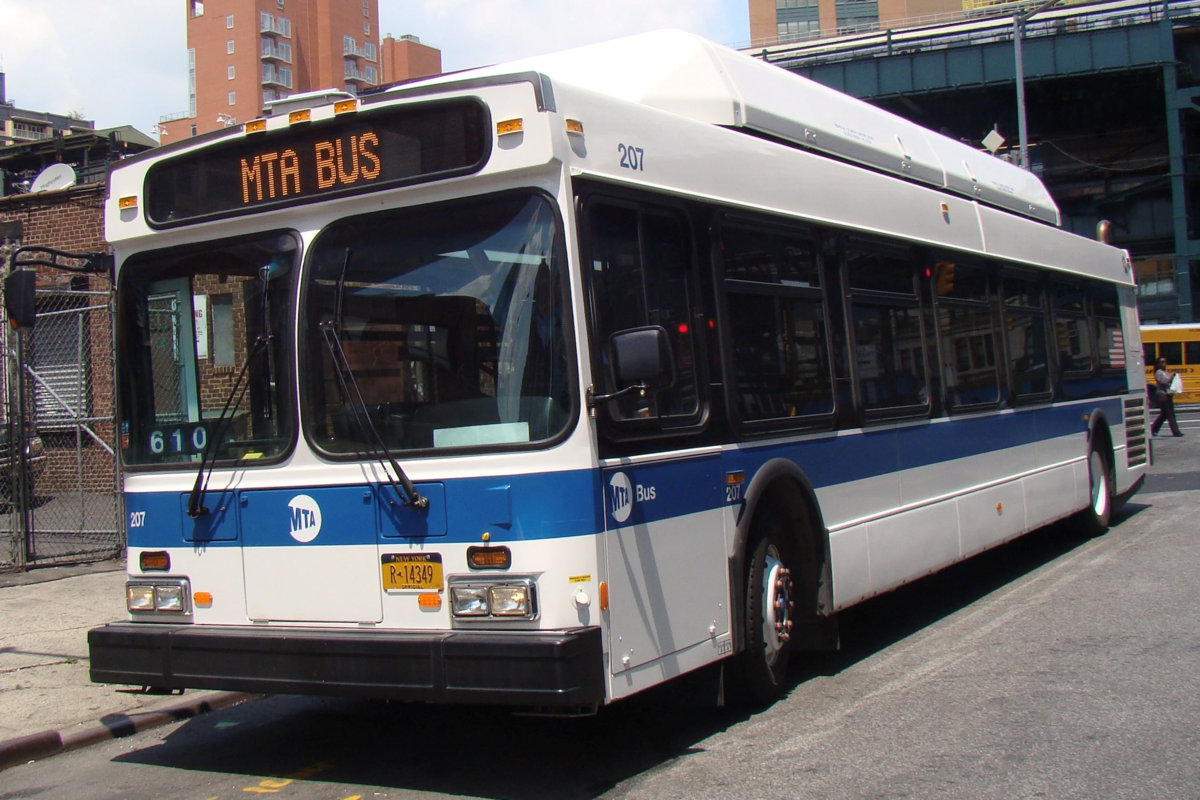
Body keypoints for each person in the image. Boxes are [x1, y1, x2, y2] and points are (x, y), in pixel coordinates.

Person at [1151, 356, 1183, 437]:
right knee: (1170, 414)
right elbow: (1163, 382)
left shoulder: (1165, 372)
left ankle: (1153, 429)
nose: (1164, 364)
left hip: (1168, 395)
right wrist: (1172, 377)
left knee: (1164, 415)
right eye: (1162, 362)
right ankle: (1176, 432)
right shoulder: (1158, 372)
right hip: (1162, 395)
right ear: (1158, 364)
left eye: (1165, 362)